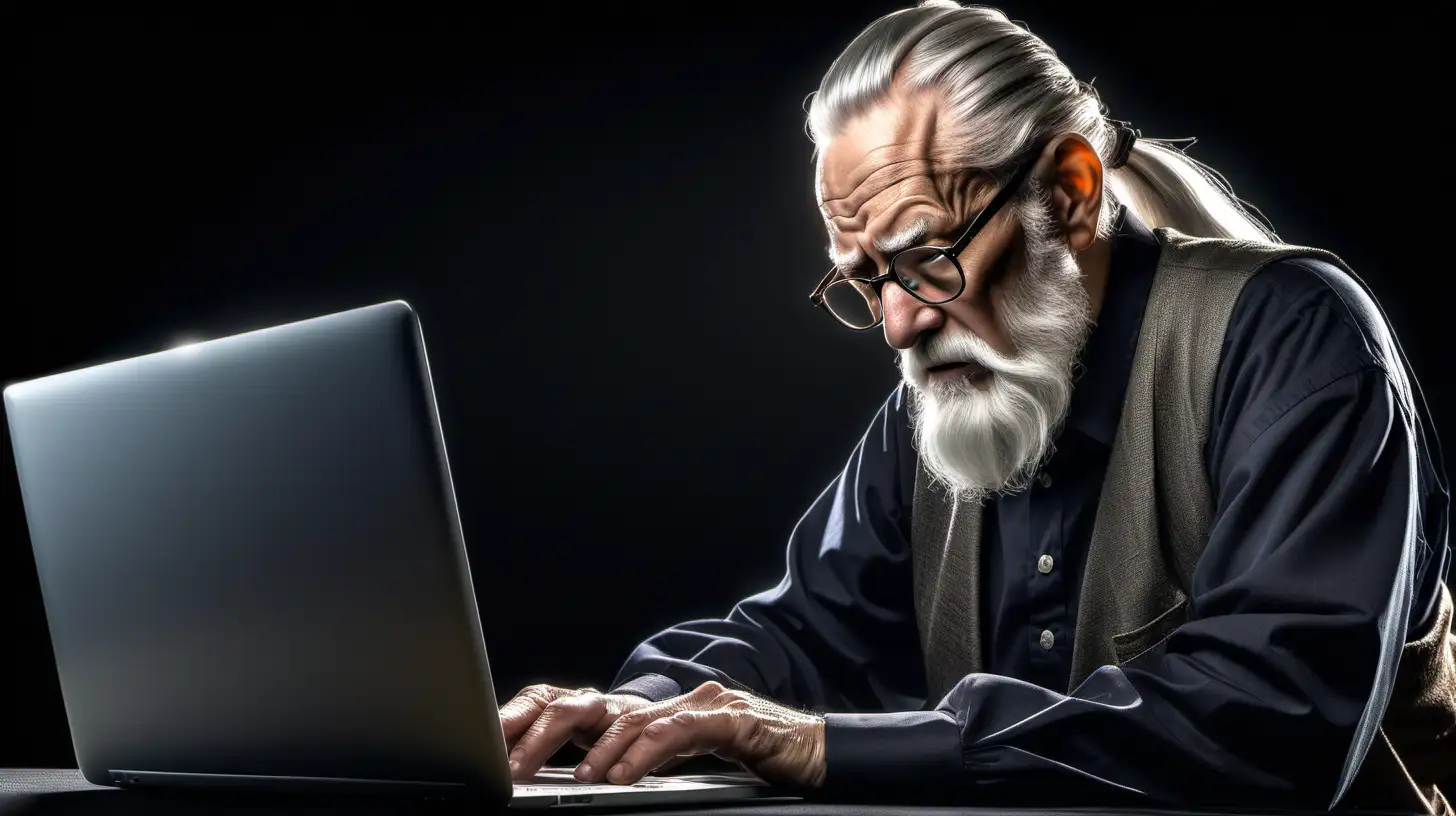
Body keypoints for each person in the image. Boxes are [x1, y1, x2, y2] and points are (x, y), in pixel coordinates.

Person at [497, 1, 1455, 810]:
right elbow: (795, 638)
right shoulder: (944, 406)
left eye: (926, 258)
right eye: (867, 280)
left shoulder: (1295, 340)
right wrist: (640, 709)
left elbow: (1273, 717)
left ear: (1072, 193)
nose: (900, 326)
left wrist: (825, 747)